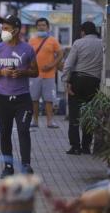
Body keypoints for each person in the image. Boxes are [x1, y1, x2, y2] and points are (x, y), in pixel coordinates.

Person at [0, 15, 38, 178]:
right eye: (2, 28)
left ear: (16, 30)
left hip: (22, 98)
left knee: (23, 130)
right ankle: (8, 166)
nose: (3, 31)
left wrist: (23, 72)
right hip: (2, 98)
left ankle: (26, 165)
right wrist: (1, 72)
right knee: (5, 132)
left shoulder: (27, 49)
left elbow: (36, 72)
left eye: (6, 28)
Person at [62, 21, 103, 155]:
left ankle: (75, 146)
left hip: (78, 80)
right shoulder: (102, 43)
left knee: (74, 114)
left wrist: (66, 81)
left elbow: (68, 64)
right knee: (89, 114)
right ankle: (86, 146)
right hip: (95, 82)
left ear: (83, 31)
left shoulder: (78, 43)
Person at [29, 18, 63, 128]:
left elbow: (60, 54)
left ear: (47, 27)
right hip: (34, 75)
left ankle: (50, 121)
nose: (41, 27)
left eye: (43, 25)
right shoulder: (32, 40)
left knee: (49, 99)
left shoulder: (53, 40)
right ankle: (35, 121)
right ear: (36, 27)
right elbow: (27, 56)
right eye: (39, 25)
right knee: (34, 99)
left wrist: (52, 65)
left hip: (49, 75)